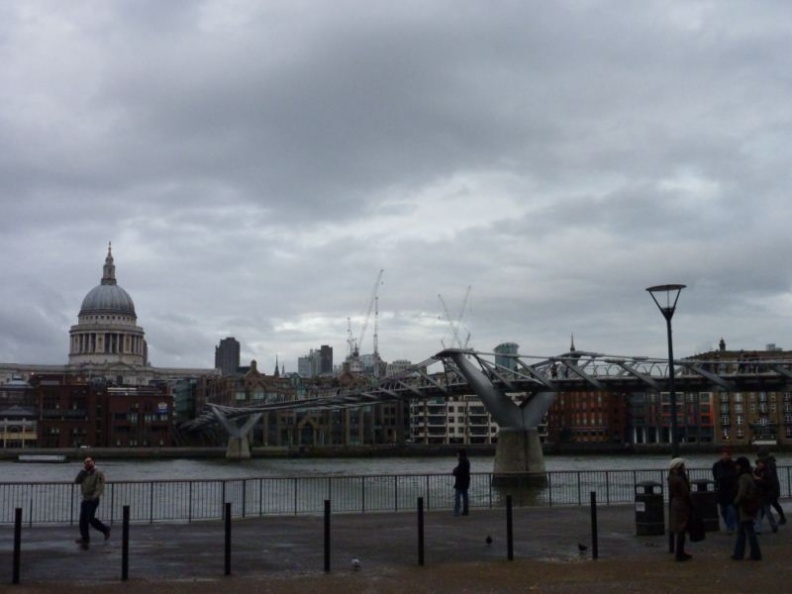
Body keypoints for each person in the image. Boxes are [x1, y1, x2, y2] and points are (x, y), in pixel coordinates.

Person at [74, 457, 110, 549]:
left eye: (89, 462)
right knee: (82, 519)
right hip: (85, 499)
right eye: (86, 462)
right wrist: (82, 471)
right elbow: (76, 481)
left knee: (90, 518)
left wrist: (95, 496)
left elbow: (100, 486)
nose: (87, 464)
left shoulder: (98, 473)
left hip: (93, 499)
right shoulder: (84, 473)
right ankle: (85, 537)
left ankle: (105, 529)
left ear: (94, 463)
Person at [732, 456, 761, 561]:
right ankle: (740, 553)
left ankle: (751, 553)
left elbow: (742, 493)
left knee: (747, 531)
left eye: (738, 465)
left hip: (744, 507)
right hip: (748, 506)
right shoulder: (749, 475)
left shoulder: (743, 477)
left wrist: (736, 502)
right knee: (745, 531)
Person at [667, 457, 693, 561]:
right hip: (681, 504)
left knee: (679, 528)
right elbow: (685, 492)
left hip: (675, 503)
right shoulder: (679, 479)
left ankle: (680, 552)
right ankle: (680, 553)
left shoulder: (671, 478)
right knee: (681, 528)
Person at [712, 448, 738, 534]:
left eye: (727, 454)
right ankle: (729, 525)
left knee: (731, 509)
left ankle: (730, 527)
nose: (725, 456)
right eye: (724, 454)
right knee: (723, 511)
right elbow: (715, 475)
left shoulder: (734, 465)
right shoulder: (717, 465)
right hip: (721, 491)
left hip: (731, 491)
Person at [757, 449, 786, 525]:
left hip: (771, 487)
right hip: (774, 486)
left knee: (766, 504)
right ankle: (782, 518)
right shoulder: (771, 463)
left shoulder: (768, 464)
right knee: (773, 503)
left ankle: (759, 522)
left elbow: (769, 476)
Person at [752, 457, 778, 534]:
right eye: (758, 463)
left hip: (766, 494)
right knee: (759, 512)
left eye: (760, 463)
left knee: (767, 512)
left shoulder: (767, 472)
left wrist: (759, 479)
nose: (759, 465)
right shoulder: (757, 471)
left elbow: (769, 483)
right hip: (760, 494)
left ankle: (773, 525)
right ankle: (758, 529)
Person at [452, 448, 470, 516]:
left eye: (458, 453)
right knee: (465, 496)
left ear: (460, 454)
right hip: (465, 481)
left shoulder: (462, 461)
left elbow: (460, 471)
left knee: (457, 497)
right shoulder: (466, 461)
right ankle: (465, 510)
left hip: (460, 482)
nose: (457, 454)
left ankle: (457, 511)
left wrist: (454, 471)